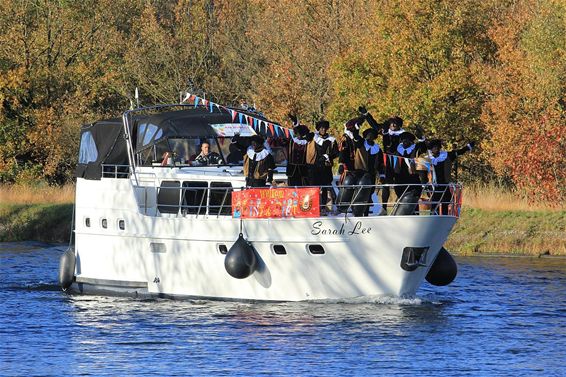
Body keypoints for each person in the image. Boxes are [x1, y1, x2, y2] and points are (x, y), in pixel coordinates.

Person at [426, 139, 474, 214]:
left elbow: (458, 152)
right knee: (434, 204)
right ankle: (433, 217)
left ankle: (444, 217)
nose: (436, 149)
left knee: (445, 202)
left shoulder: (446, 156)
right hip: (433, 185)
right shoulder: (428, 159)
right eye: (434, 147)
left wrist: (467, 147)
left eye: (438, 147)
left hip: (444, 184)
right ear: (431, 149)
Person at [393, 131, 427, 212]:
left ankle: (415, 213)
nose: (405, 141)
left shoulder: (415, 148)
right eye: (403, 139)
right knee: (401, 196)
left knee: (413, 196)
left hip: (412, 176)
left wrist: (421, 139)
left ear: (411, 141)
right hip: (399, 177)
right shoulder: (397, 148)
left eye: (407, 140)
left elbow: (423, 148)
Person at [312, 120, 339, 212]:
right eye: (321, 128)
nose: (323, 130)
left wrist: (328, 156)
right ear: (318, 129)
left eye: (324, 128)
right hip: (316, 167)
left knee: (324, 187)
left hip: (326, 167)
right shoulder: (314, 139)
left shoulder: (331, 140)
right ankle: (315, 207)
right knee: (315, 188)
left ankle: (323, 207)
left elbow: (336, 153)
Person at [286, 114, 310, 186]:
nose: (299, 135)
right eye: (297, 133)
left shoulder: (307, 143)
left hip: (303, 170)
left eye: (301, 134)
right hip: (291, 170)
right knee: (292, 189)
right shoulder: (290, 141)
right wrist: (296, 123)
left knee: (303, 189)